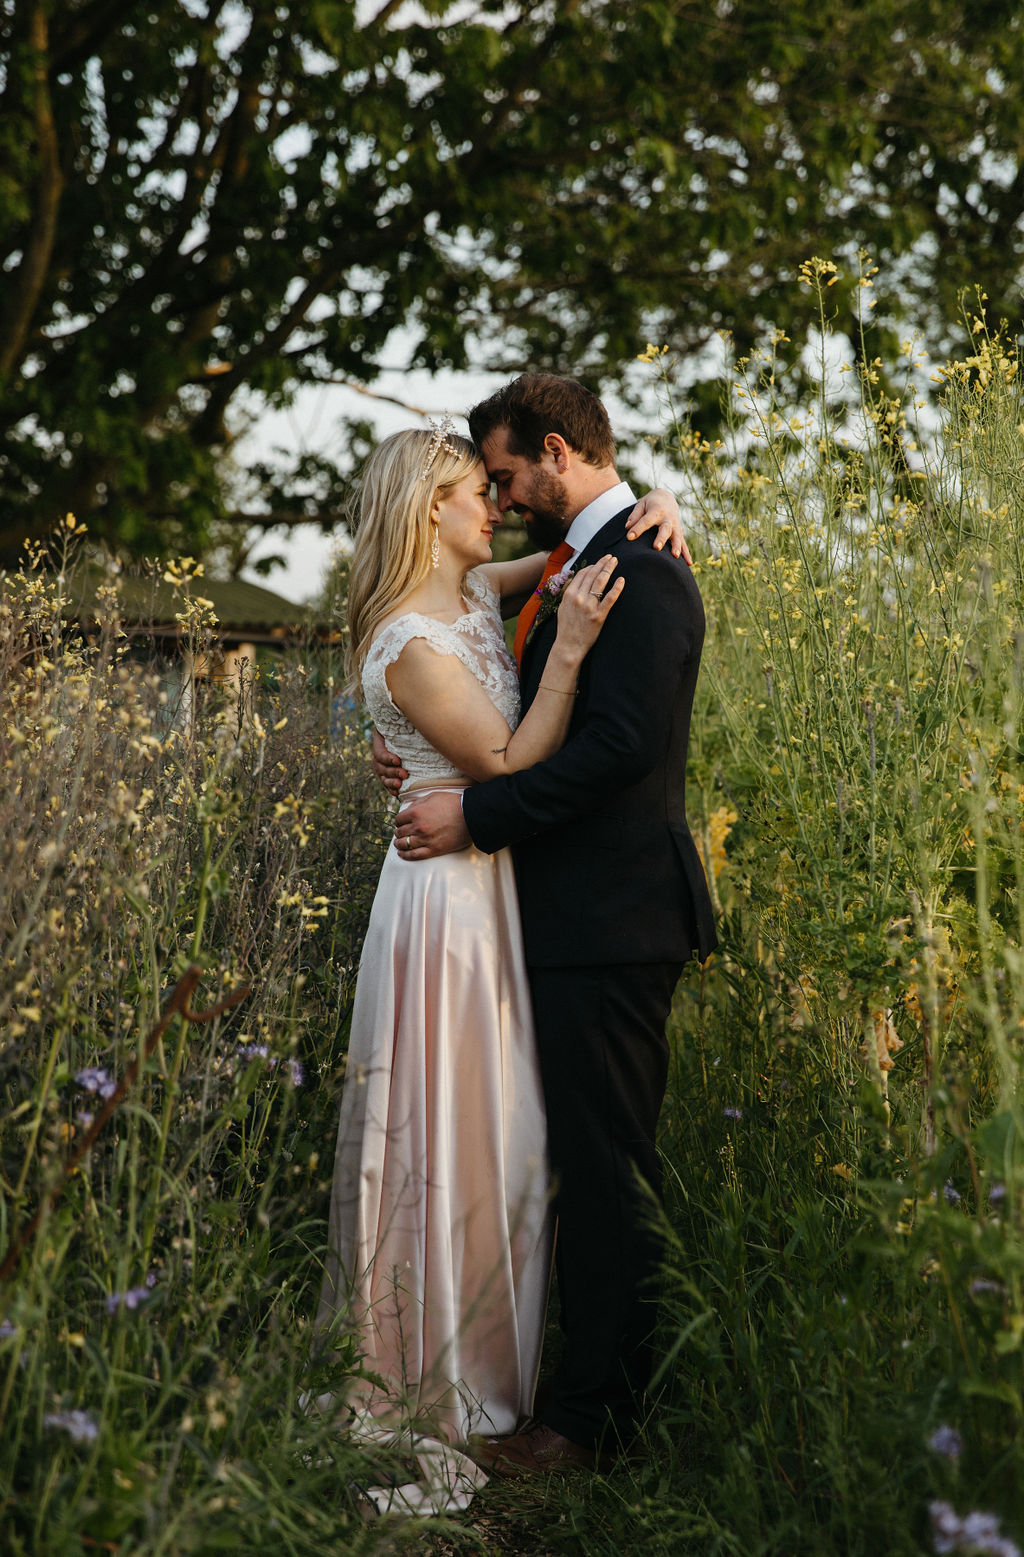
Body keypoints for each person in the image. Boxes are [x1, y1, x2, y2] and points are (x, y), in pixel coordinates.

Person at [314, 418, 685, 1514]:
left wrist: (669, 502)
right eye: (482, 490)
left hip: (499, 891)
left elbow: (584, 549)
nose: (503, 506)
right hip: (446, 905)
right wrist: (565, 651)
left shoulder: (477, 592)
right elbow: (511, 761)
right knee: (449, 1126)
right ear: (432, 509)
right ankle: (442, 1376)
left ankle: (512, 1372)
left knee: (505, 1136)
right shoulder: (414, 639)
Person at [389, 375, 718, 1478]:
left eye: (511, 472)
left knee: (608, 1174)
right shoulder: (590, 559)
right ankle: (562, 1396)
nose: (503, 493)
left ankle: (589, 1426)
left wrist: (475, 814)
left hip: (614, 921)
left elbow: (616, 750)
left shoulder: (640, 568)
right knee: (573, 1165)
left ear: (562, 452)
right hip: (559, 921)